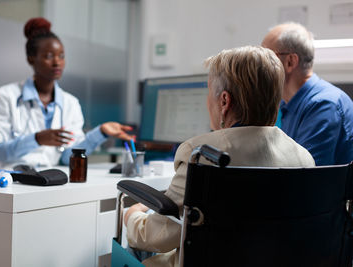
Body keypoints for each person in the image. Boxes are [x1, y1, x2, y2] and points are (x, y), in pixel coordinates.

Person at [124, 46, 315, 267]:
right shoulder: (304, 159)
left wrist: (131, 215)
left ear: (224, 101)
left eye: (208, 92)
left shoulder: (199, 154)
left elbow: (155, 236)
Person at [0, 17, 133, 169]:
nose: (57, 62)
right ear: (31, 59)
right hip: (7, 181)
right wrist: (37, 139)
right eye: (49, 56)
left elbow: (68, 158)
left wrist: (101, 133)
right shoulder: (6, 96)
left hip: (46, 181)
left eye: (61, 56)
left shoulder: (71, 103)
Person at [262, 22, 353, 166]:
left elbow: (305, 177)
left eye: (267, 56)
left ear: (290, 62)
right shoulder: (286, 103)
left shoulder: (324, 105)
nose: (260, 65)